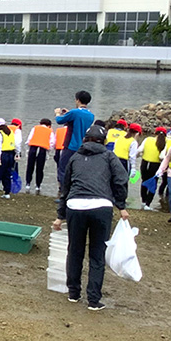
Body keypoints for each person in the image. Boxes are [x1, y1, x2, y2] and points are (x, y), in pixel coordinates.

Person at [53, 124, 129, 311]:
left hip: (75, 206)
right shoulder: (109, 156)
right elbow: (121, 179)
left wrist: (60, 216)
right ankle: (93, 300)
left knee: (75, 249)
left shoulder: (75, 157)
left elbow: (66, 187)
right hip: (101, 207)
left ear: (85, 140)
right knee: (97, 254)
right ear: (104, 142)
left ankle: (73, 293)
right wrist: (121, 205)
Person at [55, 90, 95, 187]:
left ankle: (64, 192)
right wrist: (69, 113)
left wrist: (57, 113)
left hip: (71, 145)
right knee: (77, 170)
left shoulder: (74, 112)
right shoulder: (91, 115)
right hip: (83, 146)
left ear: (77, 100)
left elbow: (59, 120)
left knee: (63, 168)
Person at [137, 126, 167, 211]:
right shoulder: (164, 143)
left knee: (144, 182)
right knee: (153, 184)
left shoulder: (148, 139)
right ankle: (148, 204)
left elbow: (139, 150)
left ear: (155, 133)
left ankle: (143, 201)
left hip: (144, 163)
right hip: (155, 165)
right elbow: (162, 156)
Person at [25, 118, 55, 194]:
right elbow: (52, 142)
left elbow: (29, 139)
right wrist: (48, 151)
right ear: (49, 125)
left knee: (30, 167)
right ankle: (38, 186)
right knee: (40, 169)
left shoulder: (35, 128)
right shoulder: (50, 131)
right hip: (42, 149)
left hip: (33, 148)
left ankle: (28, 184)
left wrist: (28, 148)